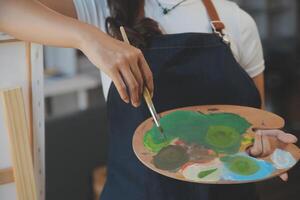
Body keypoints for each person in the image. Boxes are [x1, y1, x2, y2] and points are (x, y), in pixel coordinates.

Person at [0, 0, 297, 200]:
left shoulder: (234, 19)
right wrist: (88, 38)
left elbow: (254, 129)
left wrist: (263, 149)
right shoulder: (100, 7)